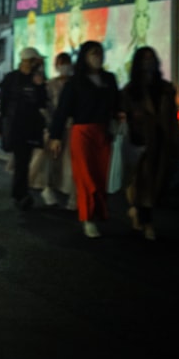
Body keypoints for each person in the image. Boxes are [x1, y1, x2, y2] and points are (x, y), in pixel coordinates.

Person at [48, 41, 123, 238]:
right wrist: (56, 136)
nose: (97, 57)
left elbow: (117, 104)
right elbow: (62, 111)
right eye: (92, 53)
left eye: (99, 53)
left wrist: (120, 117)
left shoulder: (109, 78)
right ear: (84, 57)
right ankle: (87, 218)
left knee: (100, 177)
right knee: (86, 177)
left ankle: (98, 212)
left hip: (104, 132)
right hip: (82, 133)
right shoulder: (75, 82)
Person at [120, 47, 179, 241]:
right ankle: (147, 223)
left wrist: (176, 144)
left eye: (152, 58)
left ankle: (138, 212)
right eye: (145, 59)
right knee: (143, 183)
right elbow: (124, 116)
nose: (149, 63)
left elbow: (172, 119)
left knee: (153, 184)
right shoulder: (131, 90)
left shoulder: (165, 89)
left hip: (161, 143)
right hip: (140, 142)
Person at [0, 47, 48, 211]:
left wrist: (40, 85)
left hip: (31, 127)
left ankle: (20, 193)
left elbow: (42, 102)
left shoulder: (37, 79)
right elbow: (2, 105)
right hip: (16, 126)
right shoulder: (11, 79)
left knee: (23, 162)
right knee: (22, 161)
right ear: (29, 61)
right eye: (36, 61)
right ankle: (21, 194)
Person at [42, 52, 76, 209]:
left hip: (72, 127)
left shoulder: (76, 83)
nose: (64, 66)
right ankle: (49, 189)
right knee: (53, 160)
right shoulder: (51, 84)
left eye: (66, 62)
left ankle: (72, 194)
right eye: (61, 63)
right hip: (55, 127)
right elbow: (47, 106)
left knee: (71, 163)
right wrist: (50, 124)